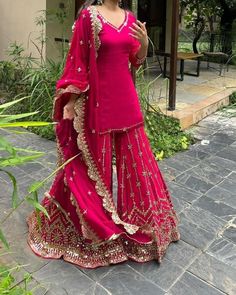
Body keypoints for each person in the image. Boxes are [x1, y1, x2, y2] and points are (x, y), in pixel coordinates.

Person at [26, 0, 181, 269]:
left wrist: (144, 43)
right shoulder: (89, 15)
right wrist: (72, 102)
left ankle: (143, 223)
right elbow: (77, 59)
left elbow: (136, 60)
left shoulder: (130, 18)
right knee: (93, 167)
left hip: (126, 100)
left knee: (137, 164)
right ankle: (98, 228)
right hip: (97, 102)